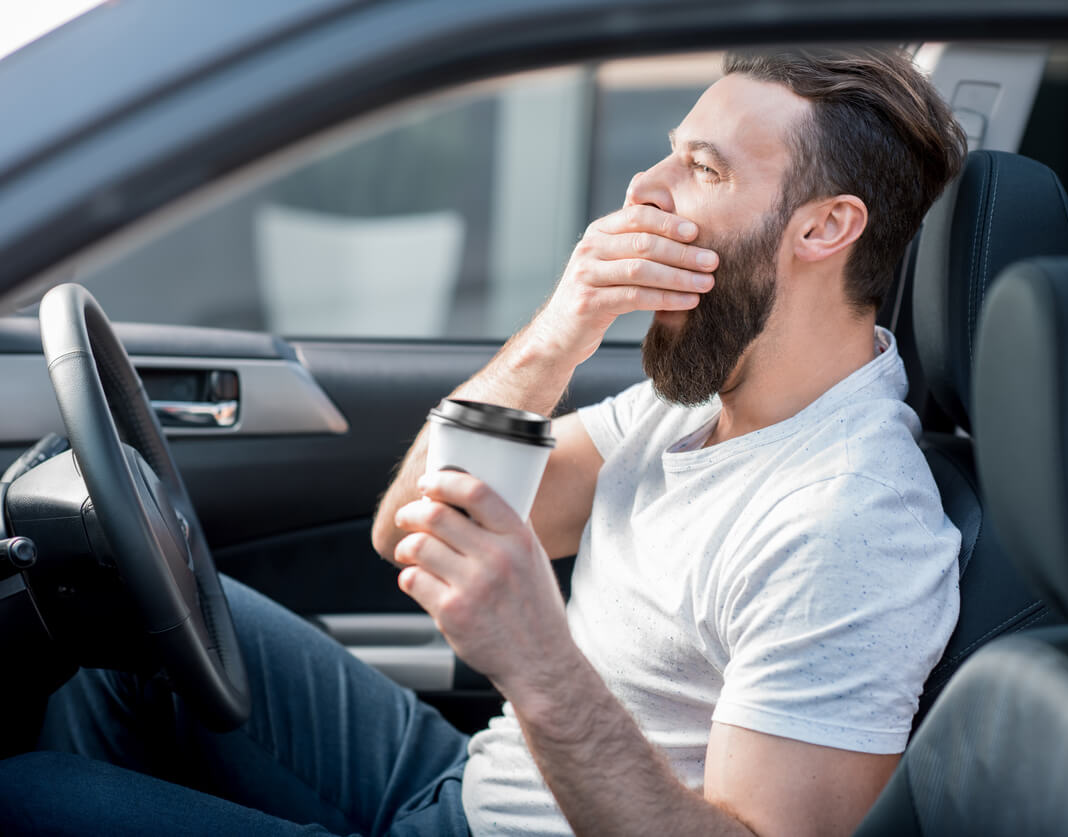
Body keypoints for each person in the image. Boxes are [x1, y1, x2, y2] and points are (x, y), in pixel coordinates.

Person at [0, 47, 965, 836]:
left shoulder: (850, 522)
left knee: (29, 799)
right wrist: (560, 329)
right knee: (133, 630)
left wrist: (540, 665)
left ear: (827, 227)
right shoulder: (700, 394)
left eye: (703, 168)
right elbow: (415, 521)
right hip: (467, 785)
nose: (645, 187)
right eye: (670, 152)